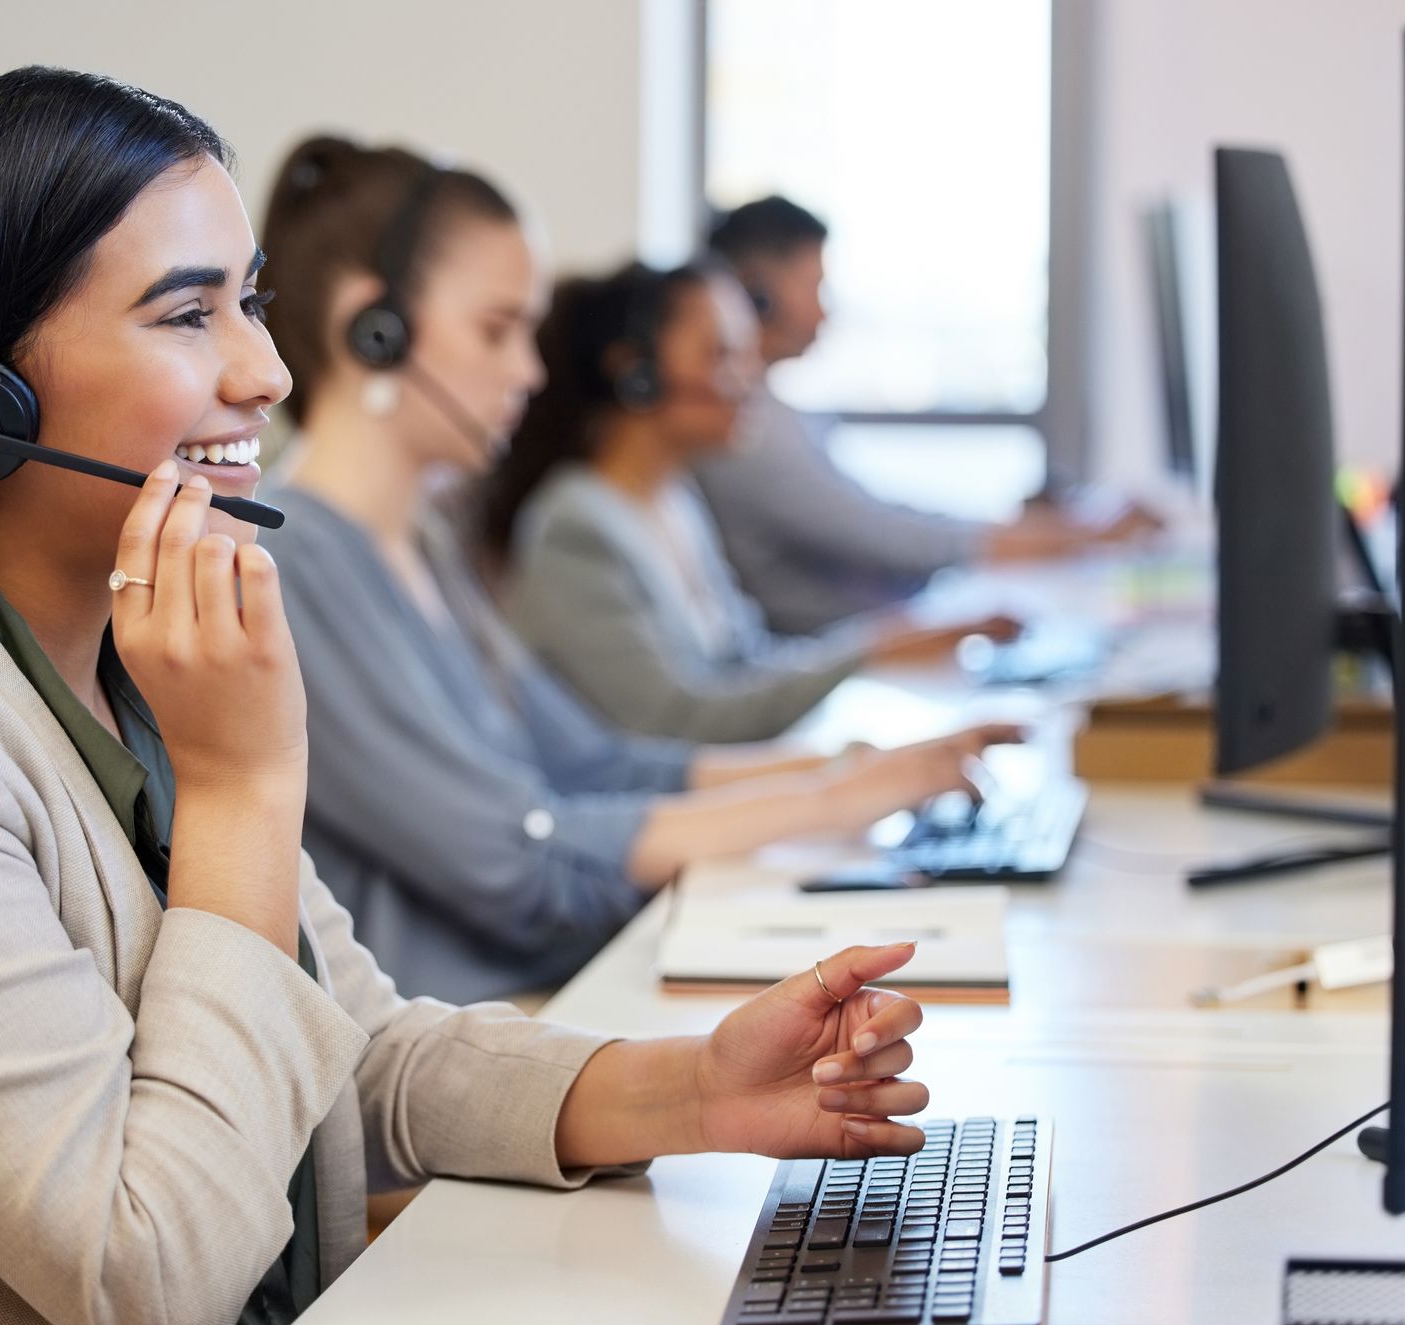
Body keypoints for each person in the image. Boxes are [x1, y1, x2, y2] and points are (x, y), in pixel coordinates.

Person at [0, 72, 941, 1325]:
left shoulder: (127, 660)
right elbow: (154, 1274)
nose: (264, 370)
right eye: (188, 312)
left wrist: (694, 1090)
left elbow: (341, 1054)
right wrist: (245, 787)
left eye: (248, 300)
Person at [258, 136, 1015, 1004]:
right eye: (498, 330)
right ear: (374, 328)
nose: (529, 371)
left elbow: (595, 764)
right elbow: (513, 859)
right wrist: (824, 804)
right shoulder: (295, 564)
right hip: (469, 1036)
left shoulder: (421, 541)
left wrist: (842, 771)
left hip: (556, 987)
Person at [479, 258, 1019, 743]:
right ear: (635, 373)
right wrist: (868, 655)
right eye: (721, 354)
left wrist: (887, 644)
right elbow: (674, 722)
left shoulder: (673, 497)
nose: (749, 377)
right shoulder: (577, 526)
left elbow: (746, 663)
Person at [694, 195, 1158, 636]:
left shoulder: (769, 413)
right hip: (848, 652)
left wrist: (1044, 531)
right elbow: (882, 535)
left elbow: (880, 517)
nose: (824, 311)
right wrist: (1075, 535)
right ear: (756, 295)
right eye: (815, 285)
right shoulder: (744, 429)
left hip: (877, 636)